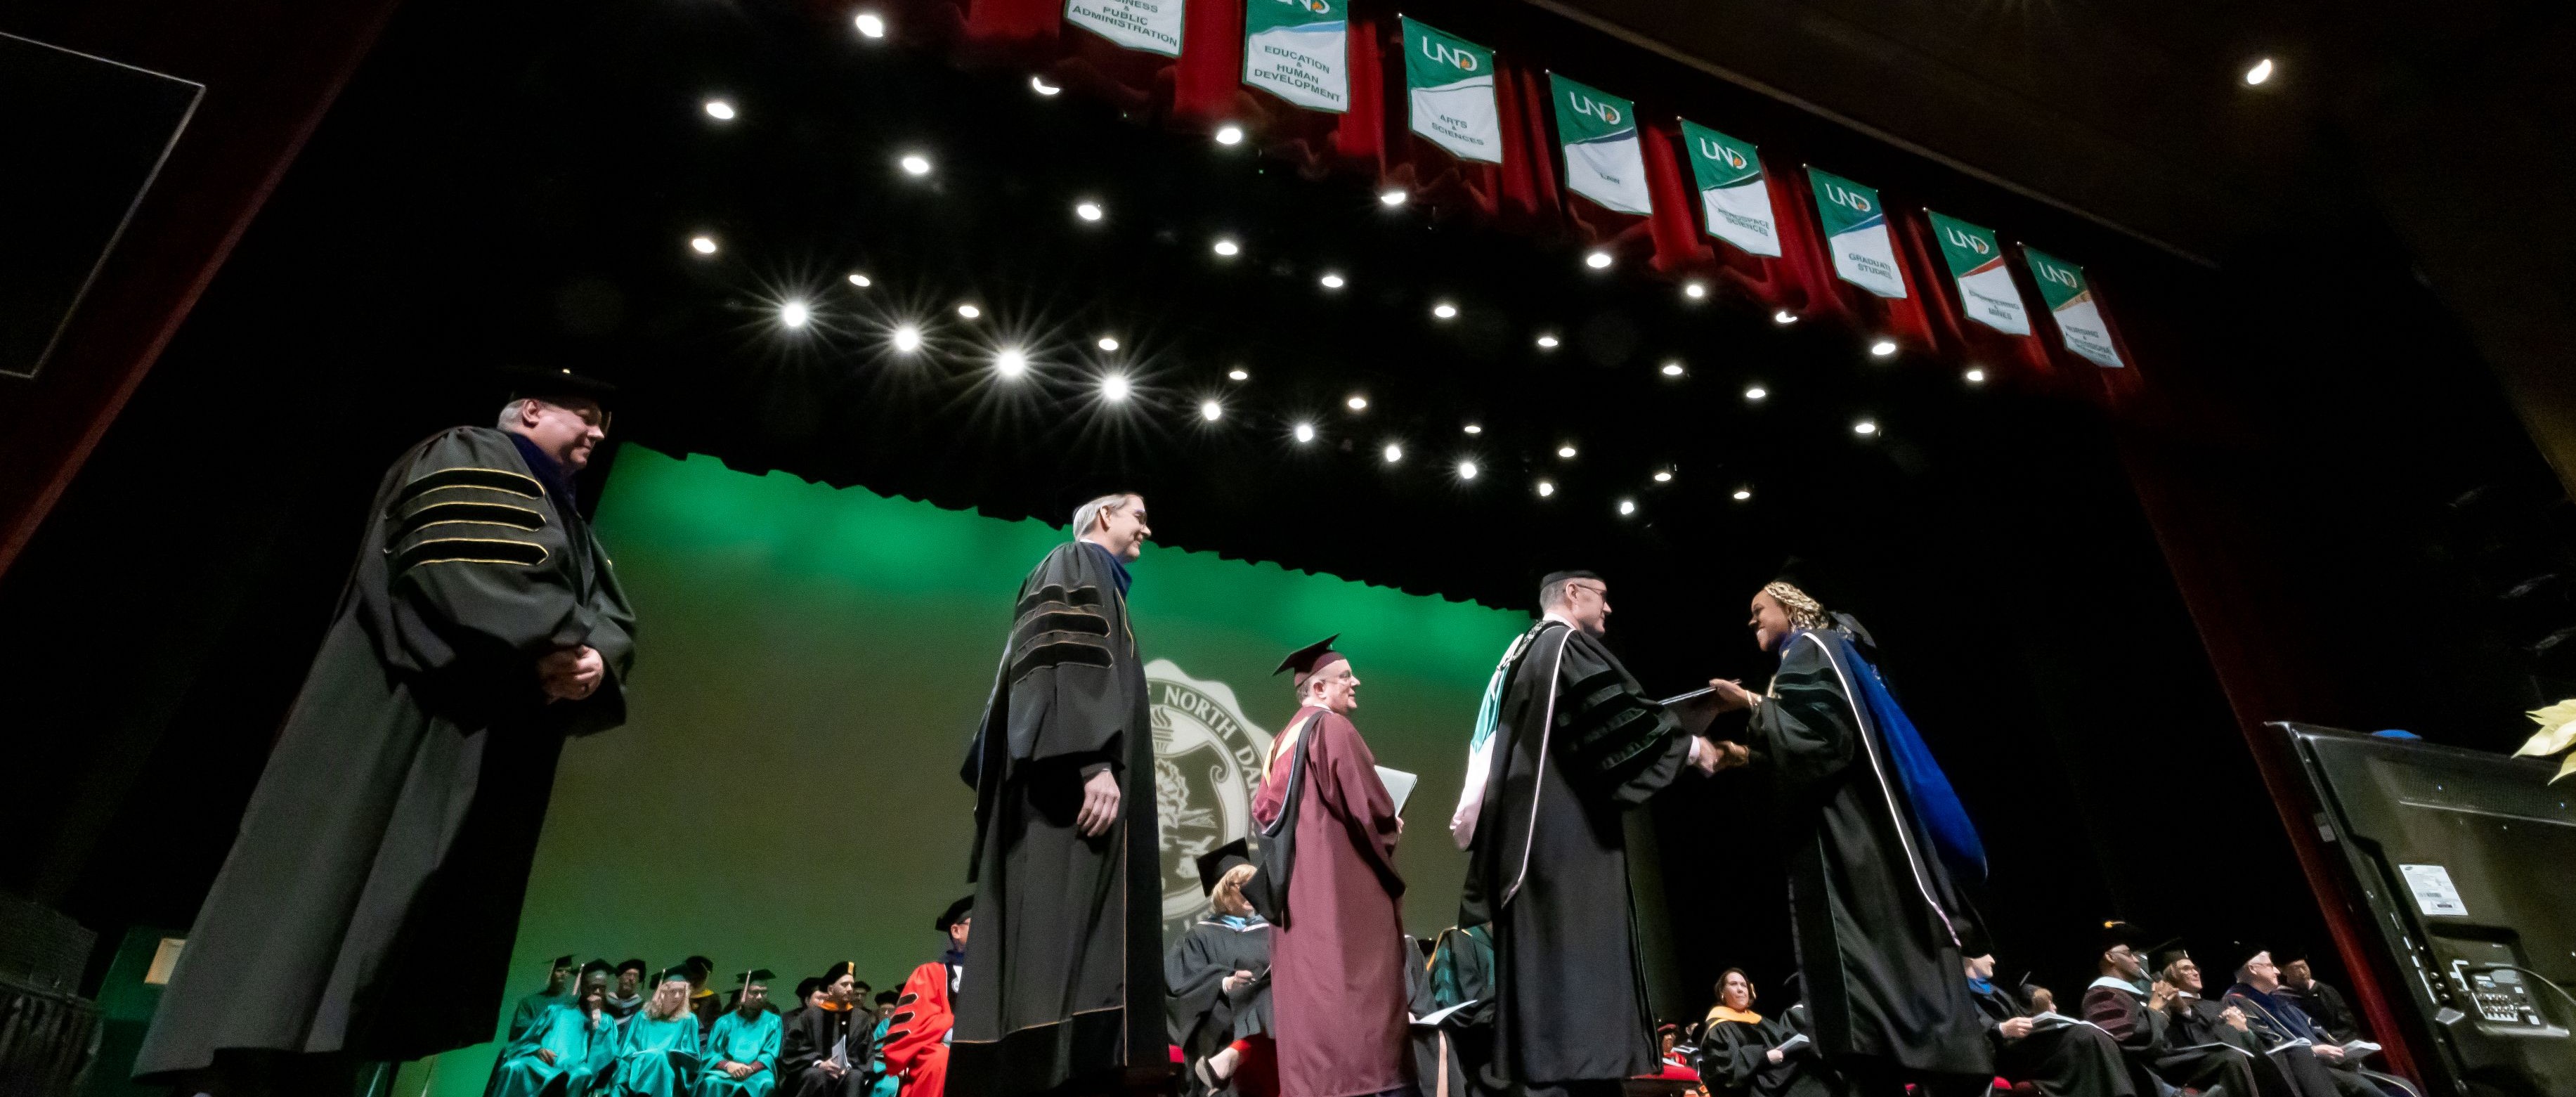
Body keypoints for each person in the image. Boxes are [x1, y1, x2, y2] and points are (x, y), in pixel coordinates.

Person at [134, 372, 638, 1091]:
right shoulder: (471, 454)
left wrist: (593, 658)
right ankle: (250, 1065)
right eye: (585, 417)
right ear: (530, 409)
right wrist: (554, 640)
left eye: (604, 429)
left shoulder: (575, 528)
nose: (596, 434)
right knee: (341, 887)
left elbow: (614, 619)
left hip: (492, 729)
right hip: (412, 710)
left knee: (407, 929)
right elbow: (462, 560)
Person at [1700, 580, 1991, 1095]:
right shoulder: (1829, 653)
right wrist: (1742, 755)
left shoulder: (1811, 649)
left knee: (1868, 973)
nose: (1751, 621)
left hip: (1854, 839)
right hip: (1859, 827)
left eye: (1758, 610)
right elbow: (1827, 740)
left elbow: (1820, 740)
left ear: (1791, 608)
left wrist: (1746, 699)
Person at [1457, 571, 1730, 1097]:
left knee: (1548, 1005)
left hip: (1532, 846)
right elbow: (1616, 721)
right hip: (1566, 845)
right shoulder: (1565, 646)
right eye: (1603, 597)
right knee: (1575, 997)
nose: (1608, 610)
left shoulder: (1521, 650)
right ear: (1573, 594)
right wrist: (1690, 747)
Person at [953, 491, 1164, 1097]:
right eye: (1137, 515)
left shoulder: (1108, 587)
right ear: (1103, 517)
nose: (1147, 528)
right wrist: (1093, 759)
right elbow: (1061, 662)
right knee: (1057, 937)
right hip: (1063, 796)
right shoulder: (1074, 562)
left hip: (1074, 789)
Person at [1250, 637, 1410, 1097]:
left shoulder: (1282, 741)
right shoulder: (1331, 729)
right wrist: (1390, 821)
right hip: (1337, 900)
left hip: (1300, 900)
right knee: (1356, 1016)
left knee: (1313, 1011)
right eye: (1346, 676)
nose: (1355, 682)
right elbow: (1368, 808)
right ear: (1319, 689)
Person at [2080, 926, 2260, 1097]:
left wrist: (2181, 1009)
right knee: (2229, 1060)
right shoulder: (2103, 995)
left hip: (2166, 1061)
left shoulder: (2131, 993)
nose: (2136, 960)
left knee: (2234, 1058)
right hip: (2147, 1072)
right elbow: (2129, 1043)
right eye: (2128, 954)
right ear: (2110, 958)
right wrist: (2155, 1010)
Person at [1164, 841, 1276, 1097]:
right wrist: (1225, 984)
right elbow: (1179, 984)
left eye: (1255, 884)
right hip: (1222, 1025)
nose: (1253, 891)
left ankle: (1237, 1054)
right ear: (1224, 893)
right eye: (1243, 885)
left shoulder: (1272, 931)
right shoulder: (1199, 936)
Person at [1963, 954, 2131, 1097]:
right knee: (2084, 1036)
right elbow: (1965, 1030)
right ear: (1969, 958)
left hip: (2025, 1047)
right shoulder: (1960, 992)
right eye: (1986, 955)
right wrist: (2000, 1028)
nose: (1993, 960)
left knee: (2092, 1035)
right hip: (2003, 1055)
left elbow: (2019, 1016)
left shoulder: (1994, 990)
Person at [2222, 950, 2381, 1097]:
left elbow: (2315, 1028)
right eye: (2271, 966)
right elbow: (2266, 1045)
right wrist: (2313, 1051)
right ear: (2253, 969)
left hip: (2328, 1063)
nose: (2277, 971)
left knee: (2396, 1084)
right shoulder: (2237, 1002)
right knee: (2367, 1089)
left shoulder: (2277, 999)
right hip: (2303, 1072)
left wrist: (2343, 1051)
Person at [1698, 969, 1840, 1097]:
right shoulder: (1719, 1028)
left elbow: (1783, 1041)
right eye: (1734, 984)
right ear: (1722, 992)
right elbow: (1723, 1072)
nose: (1741, 989)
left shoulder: (1761, 1021)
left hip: (1779, 1082)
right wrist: (1763, 1057)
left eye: (1744, 985)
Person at [883, 898, 971, 1097]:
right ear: (956, 931)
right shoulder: (930, 974)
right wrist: (957, 1027)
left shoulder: (995, 977)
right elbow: (915, 1026)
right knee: (941, 1060)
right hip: (941, 1048)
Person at [488, 975, 620, 1097]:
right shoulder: (556, 1011)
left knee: (581, 1074)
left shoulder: (606, 1021)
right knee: (513, 1067)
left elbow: (604, 1055)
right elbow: (528, 1040)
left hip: (575, 1069)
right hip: (542, 1064)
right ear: (583, 988)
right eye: (593, 987)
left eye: (602, 989)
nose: (597, 992)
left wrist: (595, 1017)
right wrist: (538, 1050)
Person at [611, 970, 708, 1097]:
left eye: (682, 992)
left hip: (673, 1075)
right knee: (657, 1057)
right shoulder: (643, 1017)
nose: (678, 996)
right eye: (673, 991)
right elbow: (627, 1052)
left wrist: (671, 1057)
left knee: (661, 1057)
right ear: (662, 992)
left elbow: (692, 1055)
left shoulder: (688, 1020)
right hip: (640, 1070)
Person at [781, 963, 864, 1097]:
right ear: (831, 989)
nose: (850, 989)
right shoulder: (810, 1016)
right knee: (816, 1075)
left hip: (846, 1071)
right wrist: (819, 1063)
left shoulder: (860, 1018)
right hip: (813, 1069)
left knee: (855, 1076)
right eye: (844, 985)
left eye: (852, 985)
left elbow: (865, 1050)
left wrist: (847, 1065)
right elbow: (794, 1048)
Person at [699, 971, 784, 1097]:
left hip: (758, 1072)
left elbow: (770, 1053)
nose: (760, 996)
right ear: (742, 994)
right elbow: (712, 1053)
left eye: (764, 992)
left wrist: (750, 1069)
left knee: (767, 1084)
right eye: (755, 992)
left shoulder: (773, 1021)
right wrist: (728, 1065)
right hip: (726, 1071)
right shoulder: (725, 1022)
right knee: (711, 1082)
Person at [2277, 954, 2363, 1043]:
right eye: (2296, 968)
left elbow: (2347, 1023)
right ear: (2283, 971)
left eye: (2304, 966)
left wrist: (2338, 1045)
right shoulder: (2281, 998)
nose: (2302, 972)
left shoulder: (2326, 991)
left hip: (2341, 1043)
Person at [511, 956, 583, 1041]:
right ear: (550, 972)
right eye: (559, 970)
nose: (564, 973)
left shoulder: (573, 1003)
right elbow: (518, 1030)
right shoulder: (529, 1002)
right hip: (533, 1050)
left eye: (567, 971)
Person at [861, 992, 902, 1097]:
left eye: (891, 1010)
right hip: (879, 1067)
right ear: (877, 1011)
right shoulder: (870, 1025)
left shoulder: (902, 1025)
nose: (886, 1013)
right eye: (883, 1010)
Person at [610, 961, 654, 1025]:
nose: (631, 978)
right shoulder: (607, 1002)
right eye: (628, 974)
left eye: (636, 976)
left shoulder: (641, 1007)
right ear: (619, 978)